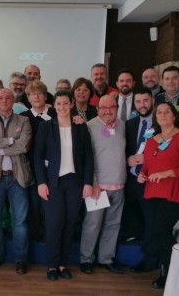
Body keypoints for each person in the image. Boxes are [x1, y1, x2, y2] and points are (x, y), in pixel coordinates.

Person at [137, 101, 179, 289]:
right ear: (155, 117)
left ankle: (169, 271)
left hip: (176, 192)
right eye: (159, 113)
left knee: (161, 230)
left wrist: (167, 173)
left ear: (174, 116)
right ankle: (170, 267)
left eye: (167, 112)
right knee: (157, 230)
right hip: (154, 191)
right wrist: (142, 175)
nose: (163, 115)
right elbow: (147, 166)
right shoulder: (151, 140)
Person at [33, 90, 93, 281]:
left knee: (69, 224)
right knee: (53, 224)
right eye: (58, 104)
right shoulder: (45, 127)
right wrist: (41, 182)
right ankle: (51, 265)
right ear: (54, 105)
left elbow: (88, 158)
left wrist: (88, 183)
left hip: (75, 183)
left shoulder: (80, 127)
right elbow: (37, 156)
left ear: (71, 104)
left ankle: (62, 263)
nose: (62, 107)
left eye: (66, 103)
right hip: (53, 183)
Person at [0, 88, 33, 275]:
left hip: (17, 177)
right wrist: (12, 140)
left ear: (13, 101)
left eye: (7, 97)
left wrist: (1, 146)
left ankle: (21, 259)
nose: (3, 100)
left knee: (19, 221)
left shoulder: (24, 120)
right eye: (0, 97)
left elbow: (24, 145)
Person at [79, 95, 127, 275]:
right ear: (97, 108)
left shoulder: (122, 125)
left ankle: (106, 259)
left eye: (112, 107)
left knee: (113, 224)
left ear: (116, 108)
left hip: (119, 184)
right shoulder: (89, 127)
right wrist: (93, 183)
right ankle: (86, 259)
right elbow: (85, 158)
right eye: (104, 107)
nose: (108, 111)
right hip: (98, 187)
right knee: (92, 224)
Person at [20, 80, 56, 241]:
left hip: (54, 168)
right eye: (32, 94)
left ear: (45, 95)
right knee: (33, 204)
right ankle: (35, 236)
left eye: (39, 93)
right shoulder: (23, 118)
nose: (36, 96)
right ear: (28, 98)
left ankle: (51, 236)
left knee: (51, 205)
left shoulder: (56, 114)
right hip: (30, 167)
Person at [121, 87, 155, 250]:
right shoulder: (130, 124)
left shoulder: (161, 123)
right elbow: (124, 148)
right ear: (134, 103)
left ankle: (148, 257)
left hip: (151, 180)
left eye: (146, 100)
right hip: (132, 178)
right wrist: (127, 160)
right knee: (127, 214)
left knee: (150, 219)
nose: (142, 105)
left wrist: (148, 158)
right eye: (138, 101)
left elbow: (166, 149)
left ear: (152, 101)